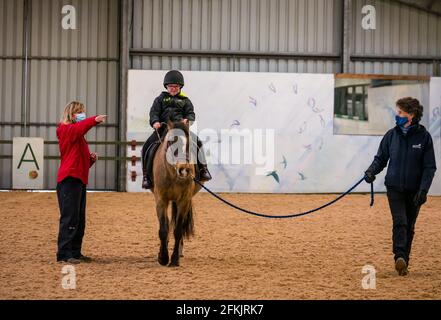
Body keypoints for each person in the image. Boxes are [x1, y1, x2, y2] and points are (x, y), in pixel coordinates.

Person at [364, 97, 437, 276]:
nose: (397, 116)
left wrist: (423, 190)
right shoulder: (391, 135)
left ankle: (405, 261)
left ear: (411, 115)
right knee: (400, 222)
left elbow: (429, 167)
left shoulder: (424, 137)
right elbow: (381, 158)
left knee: (410, 226)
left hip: (415, 190)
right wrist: (371, 171)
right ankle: (399, 256)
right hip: (394, 187)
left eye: (400, 113)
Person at [141, 70, 212, 189]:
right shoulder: (160, 99)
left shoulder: (185, 100)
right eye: (170, 86)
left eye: (175, 86)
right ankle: (146, 176)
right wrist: (155, 122)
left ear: (180, 87)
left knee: (198, 142)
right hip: (163, 129)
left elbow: (191, 114)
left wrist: (187, 120)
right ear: (166, 87)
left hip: (181, 130)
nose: (173, 88)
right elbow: (154, 113)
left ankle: (203, 169)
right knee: (147, 147)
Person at [56, 101, 107, 264]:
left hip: (77, 179)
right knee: (70, 217)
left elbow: (78, 160)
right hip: (69, 180)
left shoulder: (77, 136)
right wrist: (94, 120)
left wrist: (90, 159)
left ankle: (75, 252)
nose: (82, 114)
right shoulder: (65, 130)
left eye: (83, 112)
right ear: (71, 114)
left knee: (79, 218)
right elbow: (79, 128)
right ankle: (64, 253)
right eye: (79, 112)